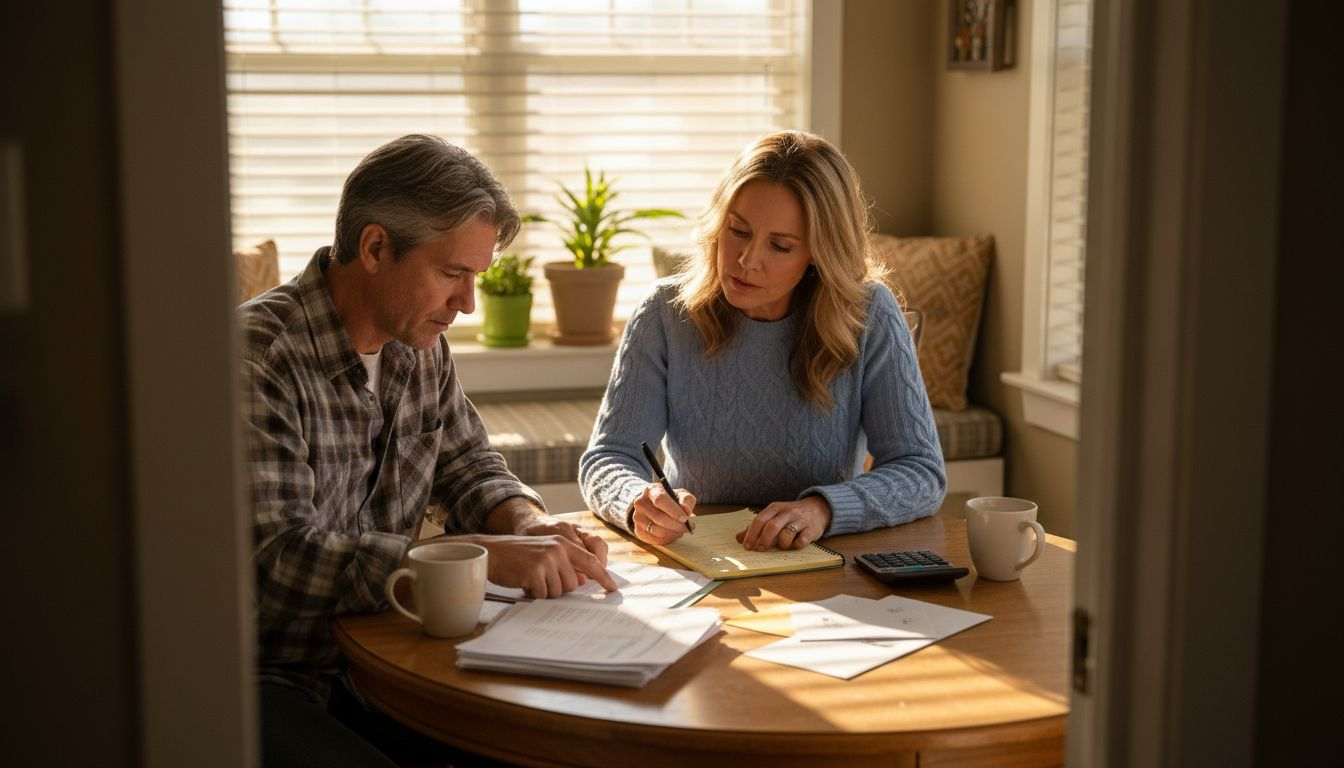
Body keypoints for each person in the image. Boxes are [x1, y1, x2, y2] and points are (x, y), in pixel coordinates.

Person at [240, 134, 617, 767]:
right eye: (451, 273)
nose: (467, 303)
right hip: (267, 678)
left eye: (476, 276)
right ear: (376, 247)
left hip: (389, 658)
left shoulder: (419, 345)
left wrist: (528, 521)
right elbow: (279, 562)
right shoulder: (257, 358)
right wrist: (470, 561)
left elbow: (467, 464)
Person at [579, 130, 946, 552]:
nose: (747, 261)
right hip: (698, 559)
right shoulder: (664, 312)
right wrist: (636, 501)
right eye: (738, 231)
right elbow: (608, 458)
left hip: (820, 562)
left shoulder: (867, 314)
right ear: (718, 224)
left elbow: (921, 472)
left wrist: (821, 510)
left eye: (780, 246)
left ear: (817, 254)